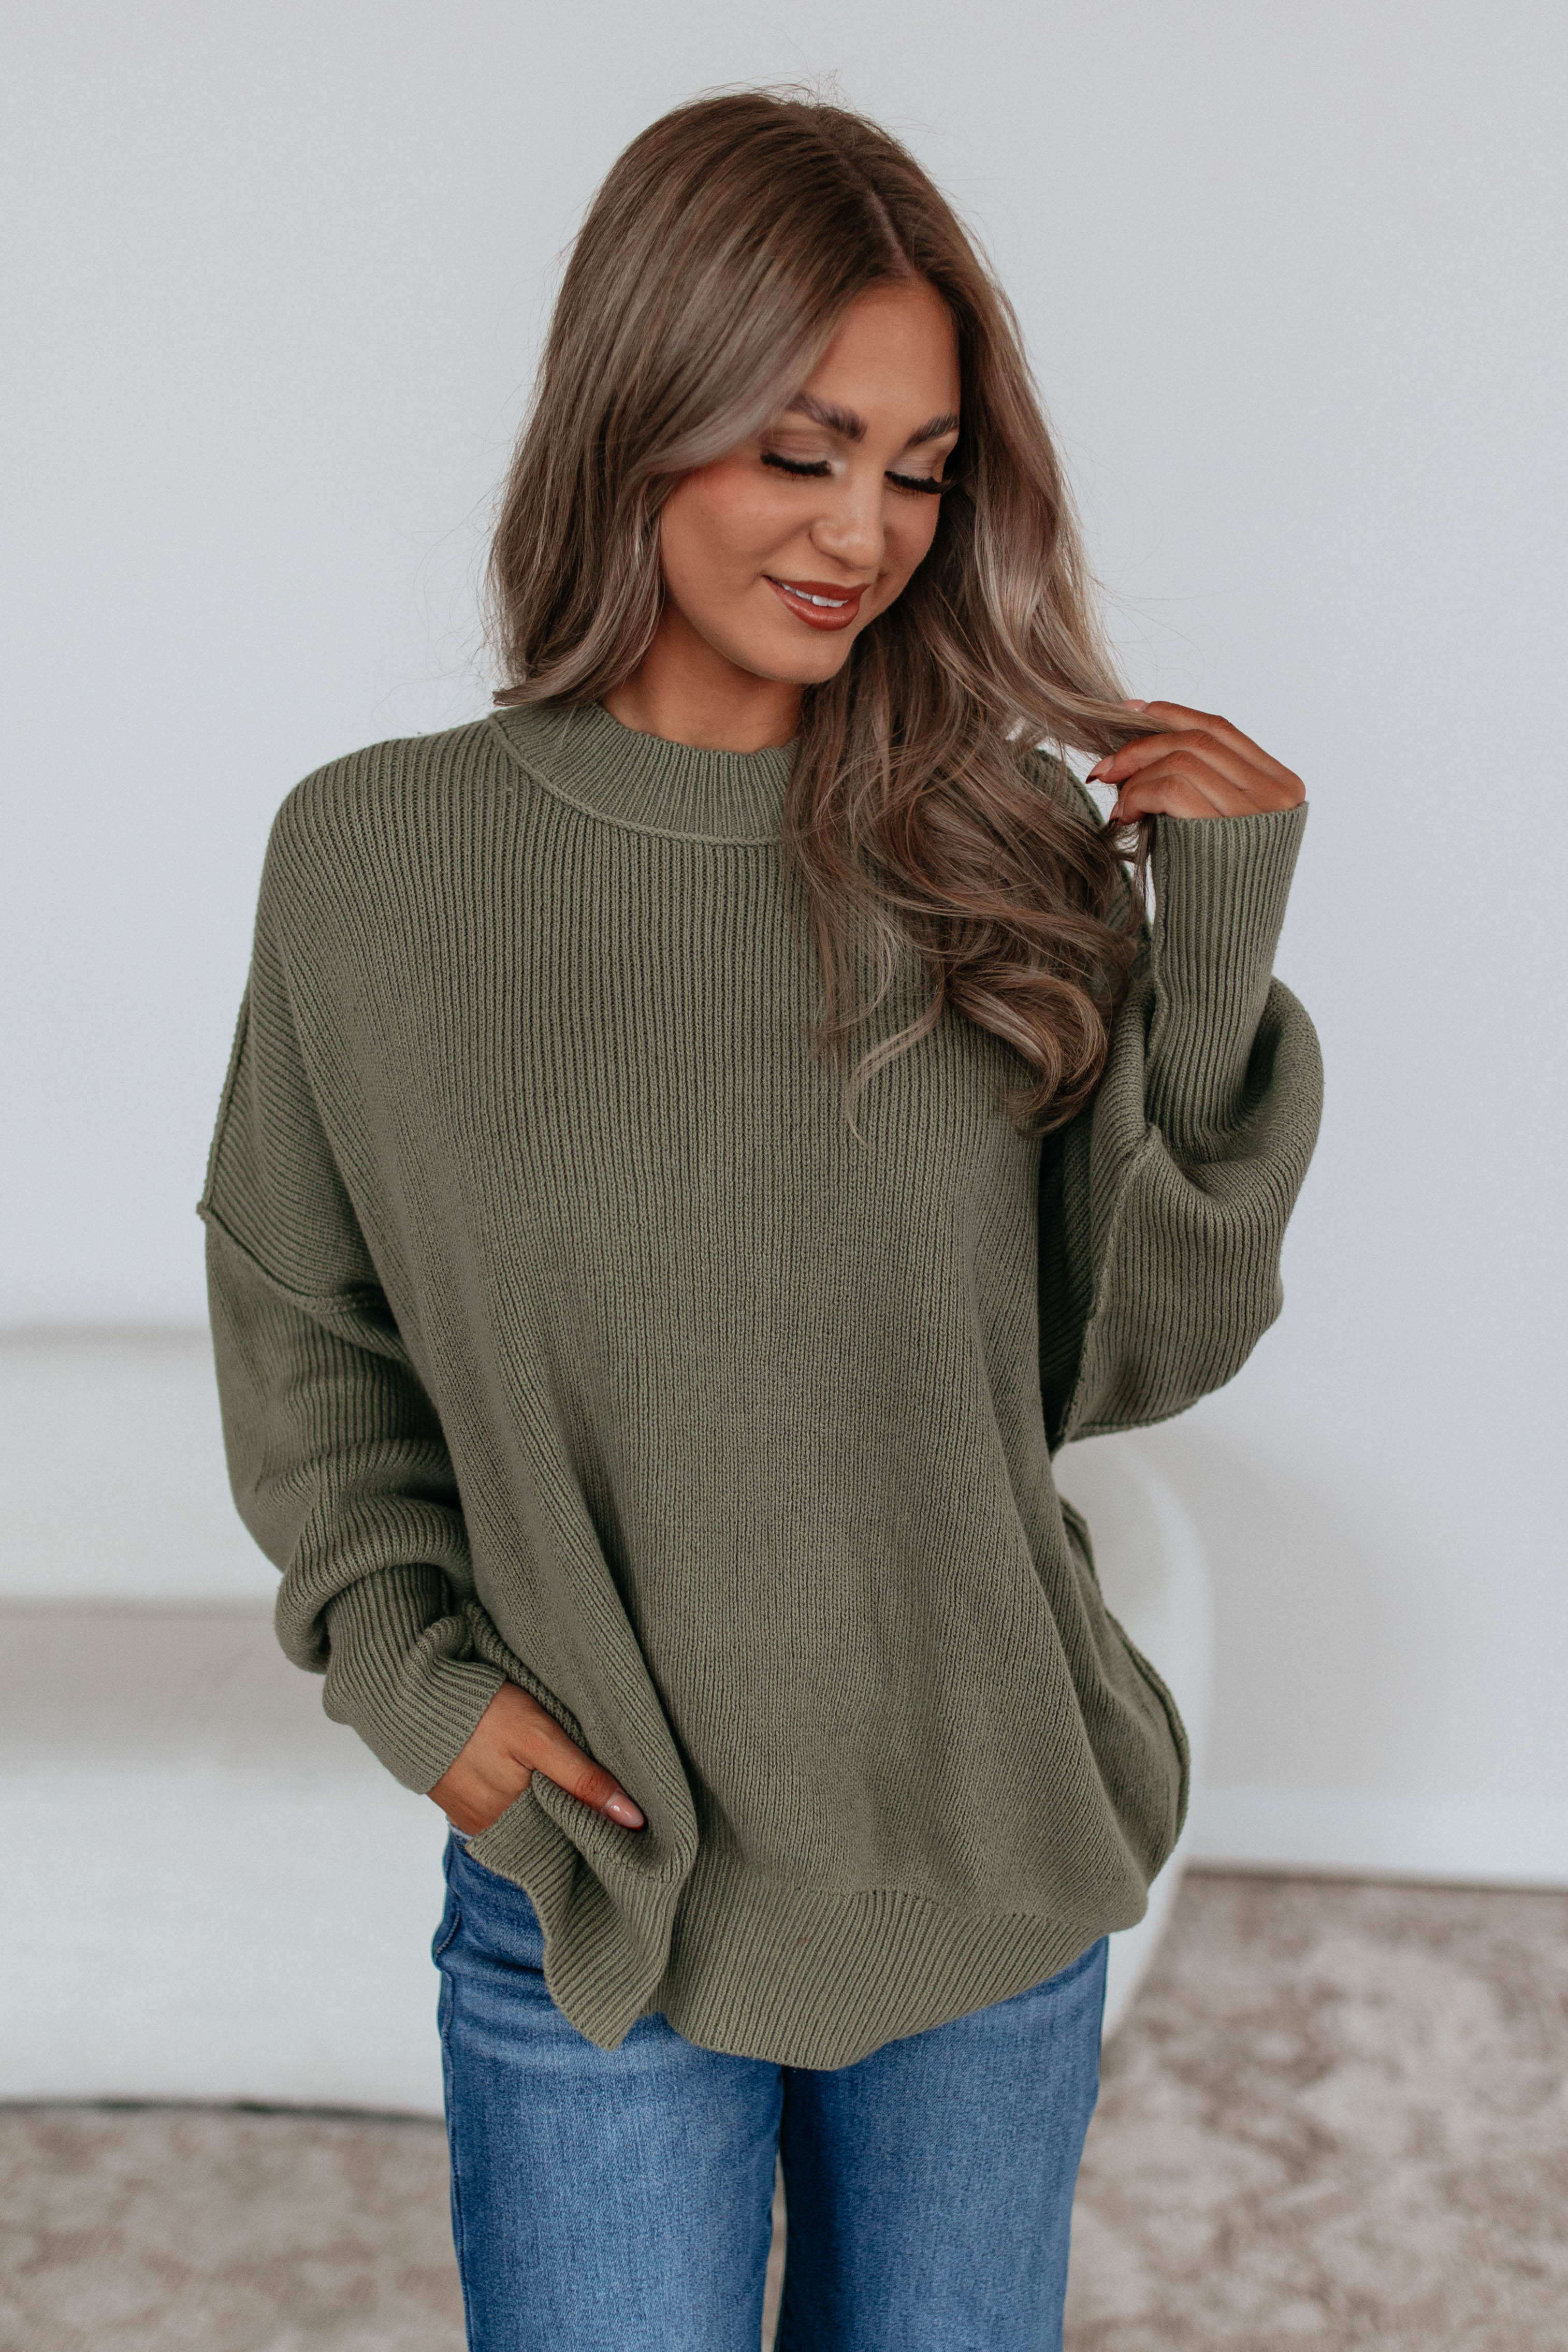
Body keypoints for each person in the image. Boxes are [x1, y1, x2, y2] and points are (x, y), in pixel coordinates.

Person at [200, 88, 1321, 2352]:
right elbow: (311, 1339)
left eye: (917, 469)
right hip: (600, 1878)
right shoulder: (377, 861)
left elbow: (1133, 1355)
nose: (863, 532)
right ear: (639, 413)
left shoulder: (992, 845)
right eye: (801, 451)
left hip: (980, 1848)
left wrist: (1204, 949)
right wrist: (422, 1687)